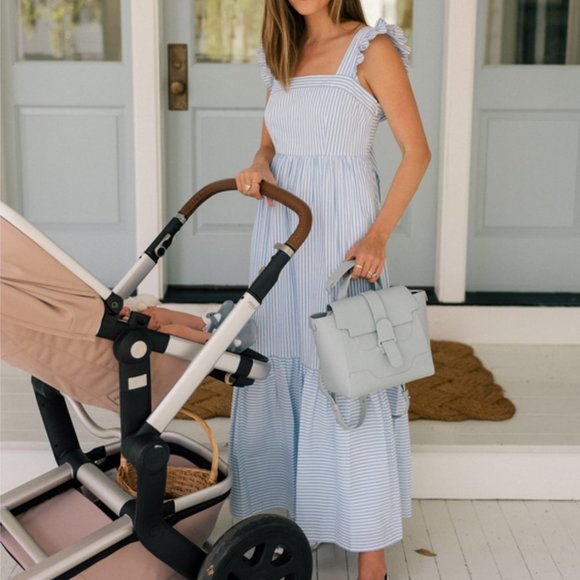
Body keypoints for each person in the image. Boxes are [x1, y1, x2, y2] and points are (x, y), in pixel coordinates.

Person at [230, 1, 430, 578]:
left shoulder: (373, 48)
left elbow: (417, 152)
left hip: (343, 236)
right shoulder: (281, 53)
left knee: (349, 372)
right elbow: (269, 144)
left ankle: (371, 554)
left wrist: (378, 235)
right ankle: (287, 527)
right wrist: (259, 165)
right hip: (282, 231)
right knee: (277, 364)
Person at [120, 297, 257, 353]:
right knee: (167, 332)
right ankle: (220, 341)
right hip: (133, 338)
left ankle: (207, 324)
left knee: (154, 312)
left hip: (130, 327)